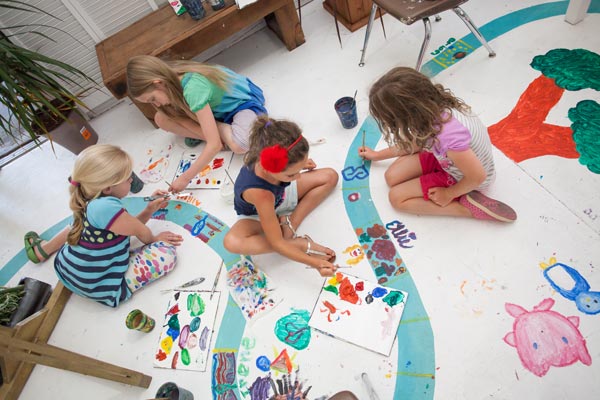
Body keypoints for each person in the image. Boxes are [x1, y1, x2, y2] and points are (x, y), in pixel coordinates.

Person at [23, 144, 184, 307]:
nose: (131, 180)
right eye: (128, 177)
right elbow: (139, 229)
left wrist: (149, 209)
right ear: (107, 188)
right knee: (166, 254)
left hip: (68, 269)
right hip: (97, 285)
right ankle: (117, 288)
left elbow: (128, 226)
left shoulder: (88, 195)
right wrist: (154, 240)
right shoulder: (106, 207)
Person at [359, 67, 517, 222]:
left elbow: (477, 176)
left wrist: (449, 194)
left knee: (396, 198)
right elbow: (416, 143)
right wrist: (378, 155)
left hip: (465, 176)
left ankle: (466, 209)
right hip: (448, 158)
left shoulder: (448, 136)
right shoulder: (433, 109)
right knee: (391, 177)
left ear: (405, 114)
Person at [127, 55, 267, 192]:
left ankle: (219, 128)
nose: (156, 104)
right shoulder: (169, 81)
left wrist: (185, 178)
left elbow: (215, 146)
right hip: (215, 111)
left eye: (153, 99)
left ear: (158, 83)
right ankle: (214, 131)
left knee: (240, 145)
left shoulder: (193, 88)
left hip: (241, 104)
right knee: (160, 118)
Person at [223, 116, 339, 277]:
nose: (298, 177)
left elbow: (289, 166)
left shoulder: (268, 155)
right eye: (292, 174)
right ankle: (294, 242)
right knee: (232, 242)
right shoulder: (261, 194)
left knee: (330, 176)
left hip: (281, 195)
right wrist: (315, 263)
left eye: (298, 171)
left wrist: (298, 166)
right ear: (270, 169)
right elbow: (276, 243)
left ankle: (290, 223)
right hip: (256, 214)